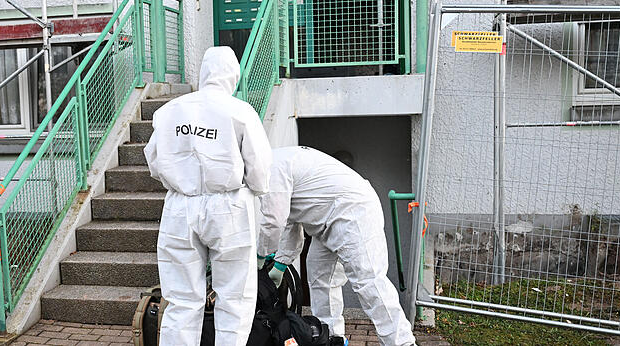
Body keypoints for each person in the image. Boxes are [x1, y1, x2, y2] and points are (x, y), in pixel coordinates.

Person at [144, 46, 272, 345]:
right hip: (229, 206)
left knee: (180, 299)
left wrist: (178, 180)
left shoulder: (169, 111)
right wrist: (254, 189)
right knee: (234, 298)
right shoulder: (240, 111)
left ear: (203, 72)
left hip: (179, 206)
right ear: (233, 75)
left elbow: (153, 160)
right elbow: (260, 169)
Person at [257, 146, 417, 346]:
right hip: (328, 220)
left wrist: (260, 257)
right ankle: (331, 338)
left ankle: (402, 342)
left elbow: (273, 221)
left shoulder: (272, 169)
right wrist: (280, 264)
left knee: (368, 281)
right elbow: (290, 223)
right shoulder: (276, 161)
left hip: (353, 211)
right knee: (320, 276)